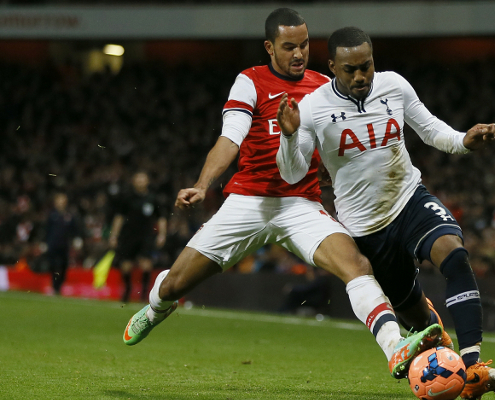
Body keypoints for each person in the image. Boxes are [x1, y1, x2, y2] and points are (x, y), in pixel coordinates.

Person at [122, 9, 441, 380]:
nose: (298, 53)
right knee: (175, 284)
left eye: (304, 44)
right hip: (248, 201)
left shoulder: (325, 86)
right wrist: (202, 184)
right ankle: (158, 306)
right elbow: (230, 138)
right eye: (289, 46)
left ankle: (394, 345)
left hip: (301, 204)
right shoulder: (250, 81)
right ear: (270, 47)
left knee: (356, 266)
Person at [276, 27, 495, 399]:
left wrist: (464, 140)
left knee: (454, 255)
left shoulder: (394, 86)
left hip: (410, 201)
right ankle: (450, 365)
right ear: (332, 65)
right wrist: (289, 137)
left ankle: (474, 367)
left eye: (366, 66)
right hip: (367, 231)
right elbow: (291, 172)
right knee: (419, 321)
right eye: (350, 69)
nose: (360, 76)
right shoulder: (312, 107)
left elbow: (432, 130)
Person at [109, 171, 167, 303]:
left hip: (146, 236)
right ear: (133, 182)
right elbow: (119, 217)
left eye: (143, 179)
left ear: (147, 181)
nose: (140, 182)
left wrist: (162, 234)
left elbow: (161, 218)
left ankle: (144, 294)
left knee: (146, 264)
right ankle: (127, 290)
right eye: (138, 179)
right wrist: (114, 235)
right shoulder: (127, 198)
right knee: (126, 265)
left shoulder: (153, 198)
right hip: (128, 236)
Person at [44, 192, 82, 295]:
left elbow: (75, 229)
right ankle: (55, 286)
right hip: (53, 244)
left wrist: (77, 239)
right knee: (54, 265)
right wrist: (44, 242)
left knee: (63, 266)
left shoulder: (69, 216)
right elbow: (47, 230)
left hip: (64, 245)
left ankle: (59, 285)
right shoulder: (52, 215)